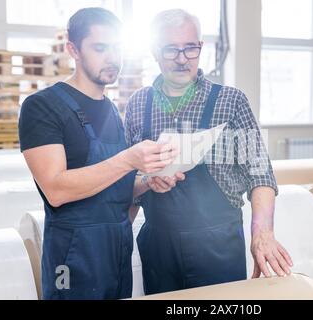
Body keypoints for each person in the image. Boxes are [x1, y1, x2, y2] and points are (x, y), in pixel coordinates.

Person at [125, 9, 293, 295]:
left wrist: (262, 233)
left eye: (190, 48)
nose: (182, 58)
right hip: (158, 245)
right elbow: (126, 177)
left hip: (218, 245)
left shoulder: (231, 101)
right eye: (171, 50)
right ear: (155, 52)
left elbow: (260, 173)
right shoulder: (139, 104)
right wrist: (146, 182)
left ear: (200, 48)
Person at [18, 7, 179, 300]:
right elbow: (56, 189)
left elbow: (113, 188)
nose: (112, 58)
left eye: (117, 48)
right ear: (73, 49)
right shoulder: (41, 107)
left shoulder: (111, 112)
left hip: (116, 251)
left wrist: (147, 182)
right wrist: (130, 158)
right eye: (100, 48)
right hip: (73, 256)